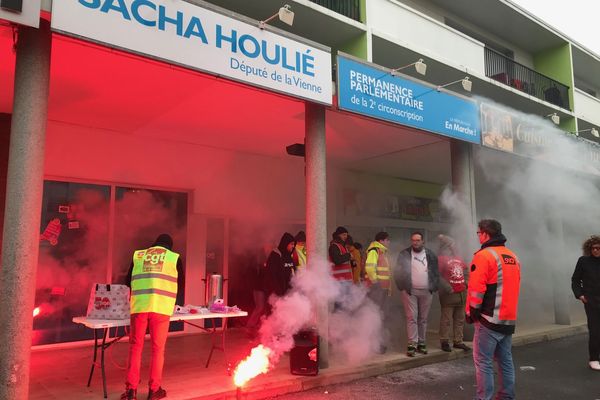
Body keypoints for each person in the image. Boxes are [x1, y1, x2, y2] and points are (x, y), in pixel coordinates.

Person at [121, 234, 185, 400]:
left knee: (135, 347)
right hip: (161, 308)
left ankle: (131, 392)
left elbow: (128, 281)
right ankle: (154, 390)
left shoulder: (139, 255)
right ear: (169, 246)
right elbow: (181, 283)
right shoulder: (173, 257)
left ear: (154, 243)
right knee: (158, 349)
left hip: (140, 307)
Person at [466, 219, 521, 400]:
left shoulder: (484, 256)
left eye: (478, 233)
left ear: (484, 234)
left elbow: (476, 288)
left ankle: (484, 398)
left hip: (488, 319)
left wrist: (472, 312)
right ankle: (507, 397)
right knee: (505, 361)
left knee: (483, 362)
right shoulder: (513, 257)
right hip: (508, 318)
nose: (478, 236)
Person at [394, 232, 439, 357]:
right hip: (410, 291)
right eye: (413, 240)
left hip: (426, 291)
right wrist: (402, 287)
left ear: (423, 241)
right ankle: (412, 344)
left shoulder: (430, 254)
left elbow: (435, 271)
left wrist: (434, 286)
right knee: (411, 317)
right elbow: (397, 271)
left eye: (418, 240)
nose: (415, 242)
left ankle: (422, 342)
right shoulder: (405, 254)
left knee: (423, 319)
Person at [571, 235, 600, 371]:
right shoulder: (583, 261)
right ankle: (594, 359)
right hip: (591, 301)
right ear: (589, 248)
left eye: (599, 248)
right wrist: (580, 295)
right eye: (593, 248)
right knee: (594, 330)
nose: (596, 250)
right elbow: (575, 280)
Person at [437, 234, 470, 352]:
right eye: (452, 245)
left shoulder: (459, 258)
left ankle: (458, 341)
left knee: (460, 319)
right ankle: (444, 341)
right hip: (448, 295)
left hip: (461, 294)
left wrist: (466, 283)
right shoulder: (441, 259)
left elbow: (466, 270)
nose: (454, 247)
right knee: (446, 320)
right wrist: (447, 287)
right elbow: (437, 276)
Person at [365, 232, 391, 353]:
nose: (389, 242)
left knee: (379, 316)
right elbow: (370, 268)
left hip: (381, 289)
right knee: (376, 316)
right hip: (377, 288)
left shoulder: (381, 252)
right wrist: (375, 283)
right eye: (387, 240)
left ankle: (377, 343)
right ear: (381, 241)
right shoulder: (375, 251)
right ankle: (375, 344)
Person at [245, 242, 272, 338]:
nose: (269, 247)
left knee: (264, 308)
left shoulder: (268, 258)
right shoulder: (259, 259)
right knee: (259, 307)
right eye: (268, 245)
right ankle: (249, 328)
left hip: (264, 288)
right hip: (258, 288)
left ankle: (261, 329)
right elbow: (256, 275)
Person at [265, 232, 296, 298]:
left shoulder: (289, 256)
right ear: (285, 243)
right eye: (291, 244)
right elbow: (271, 275)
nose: (293, 246)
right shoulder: (275, 255)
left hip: (289, 293)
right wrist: (278, 292)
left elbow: (293, 271)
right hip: (277, 294)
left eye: (294, 244)